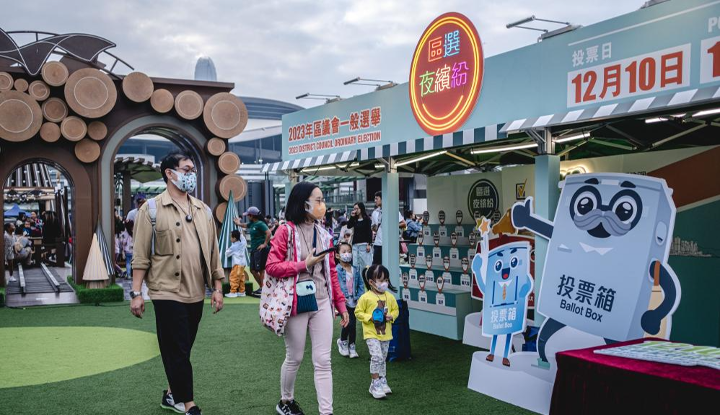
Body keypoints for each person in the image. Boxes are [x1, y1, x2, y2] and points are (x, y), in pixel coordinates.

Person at [130, 151, 225, 415]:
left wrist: (217, 288)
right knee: (178, 348)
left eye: (193, 170)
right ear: (170, 173)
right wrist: (136, 293)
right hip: (165, 291)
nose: (191, 174)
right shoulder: (150, 209)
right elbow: (140, 255)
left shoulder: (203, 210)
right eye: (186, 169)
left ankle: (171, 394)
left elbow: (214, 253)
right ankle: (189, 404)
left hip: (196, 291)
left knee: (182, 347)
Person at [265, 181, 349, 415]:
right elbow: (271, 266)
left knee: (323, 360)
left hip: (322, 301)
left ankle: (326, 412)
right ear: (304, 204)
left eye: (323, 200)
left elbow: (331, 272)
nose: (323, 205)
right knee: (295, 357)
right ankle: (286, 401)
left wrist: (340, 304)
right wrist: (303, 264)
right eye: (318, 200)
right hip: (295, 302)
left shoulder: (324, 234)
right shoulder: (286, 230)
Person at [355, 264, 399, 399]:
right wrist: (370, 318)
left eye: (386, 280)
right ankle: (374, 383)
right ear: (371, 282)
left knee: (383, 358)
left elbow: (396, 310)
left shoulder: (390, 297)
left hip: (386, 334)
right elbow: (358, 312)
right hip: (371, 333)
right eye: (381, 280)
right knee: (377, 357)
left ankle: (382, 379)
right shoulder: (366, 297)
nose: (384, 283)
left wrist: (392, 316)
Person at [335, 242, 364, 359]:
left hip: (354, 302)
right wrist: (340, 298)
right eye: (344, 252)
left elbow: (360, 284)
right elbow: (335, 286)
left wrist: (360, 296)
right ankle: (343, 342)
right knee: (348, 323)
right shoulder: (336, 270)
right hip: (344, 303)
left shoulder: (355, 269)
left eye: (349, 251)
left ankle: (352, 346)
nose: (347, 254)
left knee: (353, 325)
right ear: (337, 255)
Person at [234, 207, 270, 297]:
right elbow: (245, 225)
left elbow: (268, 232)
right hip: (254, 250)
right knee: (252, 270)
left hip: (261, 250)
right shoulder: (252, 223)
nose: (247, 216)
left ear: (252, 216)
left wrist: (265, 244)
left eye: (248, 215)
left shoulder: (260, 224)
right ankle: (262, 287)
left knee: (261, 270)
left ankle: (263, 289)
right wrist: (238, 223)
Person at [371, 192, 406, 265]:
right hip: (378, 243)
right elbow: (374, 228)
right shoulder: (375, 212)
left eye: (377, 199)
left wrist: (391, 226)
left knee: (389, 264)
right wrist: (374, 227)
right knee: (376, 265)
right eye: (375, 199)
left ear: (382, 199)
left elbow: (404, 224)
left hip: (390, 243)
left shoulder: (392, 210)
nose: (375, 201)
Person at [347, 202, 373, 272]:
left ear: (361, 209)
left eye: (357, 208)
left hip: (364, 244)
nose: (355, 210)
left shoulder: (367, 219)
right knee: (356, 264)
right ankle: (357, 278)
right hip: (355, 244)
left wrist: (369, 244)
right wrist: (352, 216)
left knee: (365, 264)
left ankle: (365, 277)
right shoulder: (354, 219)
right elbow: (349, 226)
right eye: (354, 209)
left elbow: (369, 231)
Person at [225, 229, 247, 298]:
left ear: (234, 238)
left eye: (231, 237)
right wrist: (240, 234)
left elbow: (227, 254)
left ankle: (233, 292)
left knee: (234, 277)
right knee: (241, 278)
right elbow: (243, 239)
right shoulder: (242, 243)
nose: (230, 238)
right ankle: (242, 291)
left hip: (237, 265)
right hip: (243, 264)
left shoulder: (234, 246)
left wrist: (227, 249)